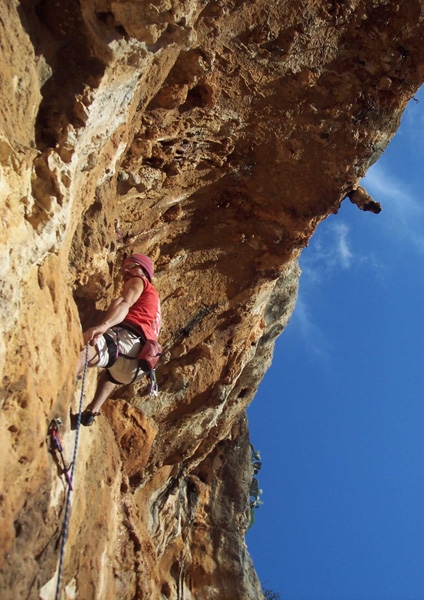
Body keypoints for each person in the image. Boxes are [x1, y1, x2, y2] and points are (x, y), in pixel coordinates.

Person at [76, 254, 161, 426]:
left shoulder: (140, 282)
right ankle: (92, 412)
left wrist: (103, 326)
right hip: (137, 370)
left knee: (82, 352)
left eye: (131, 266)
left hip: (128, 343)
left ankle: (57, 392)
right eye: (124, 268)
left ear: (144, 271)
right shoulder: (154, 300)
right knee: (110, 376)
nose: (126, 271)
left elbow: (124, 302)